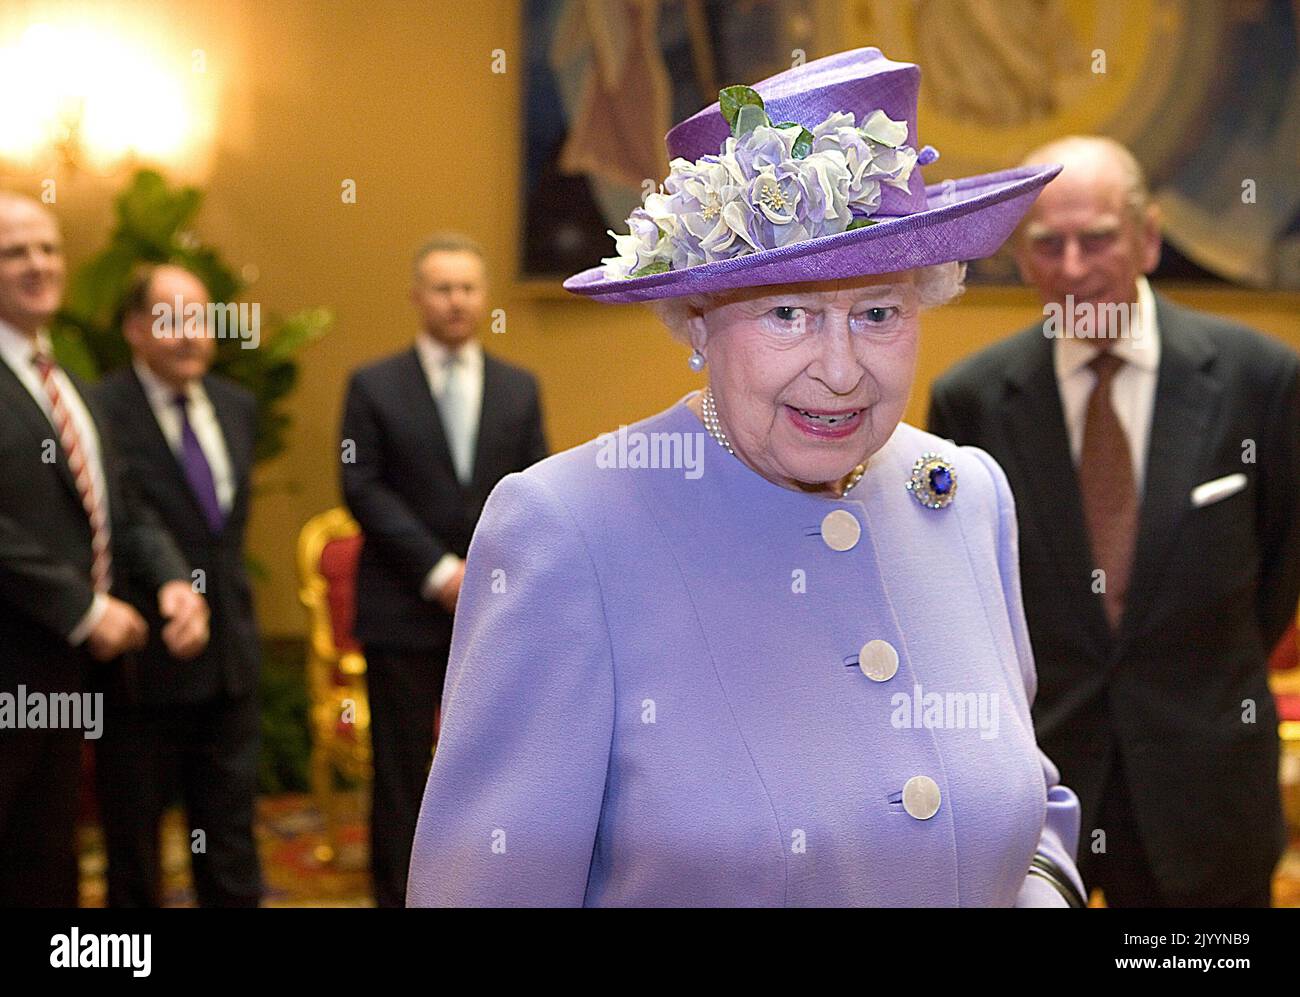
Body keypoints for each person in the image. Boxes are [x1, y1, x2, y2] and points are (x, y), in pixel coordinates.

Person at [407, 48, 1084, 906]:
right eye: (787, 312)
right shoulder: (567, 529)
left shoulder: (967, 494)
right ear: (694, 318)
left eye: (879, 312)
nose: (841, 370)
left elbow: (1030, 800)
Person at [928, 136, 1300, 906]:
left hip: (1208, 789)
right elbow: (964, 600)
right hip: (1038, 787)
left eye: (1095, 238)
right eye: (1046, 244)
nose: (1071, 267)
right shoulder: (970, 400)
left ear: (1148, 237)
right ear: (1020, 255)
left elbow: (1279, 569)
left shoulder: (1260, 380)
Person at [0, 193, 208, 907]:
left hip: (69, 680)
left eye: (49, 248)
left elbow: (122, 509)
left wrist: (174, 583)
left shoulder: (69, 385)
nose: (38, 264)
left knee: (49, 863)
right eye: (15, 251)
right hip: (14, 666)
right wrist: (84, 608)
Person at [340, 232, 548, 907]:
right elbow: (361, 486)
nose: (456, 301)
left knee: (492, 766)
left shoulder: (520, 388)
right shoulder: (372, 385)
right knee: (402, 774)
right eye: (442, 287)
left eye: (467, 288)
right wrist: (437, 571)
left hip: (494, 611)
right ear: (417, 297)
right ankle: (399, 895)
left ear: (484, 298)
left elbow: (535, 491)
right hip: (403, 608)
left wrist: (483, 574)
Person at [90, 264, 264, 907]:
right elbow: (122, 517)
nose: (191, 334)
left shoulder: (236, 406)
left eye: (201, 318)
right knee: (133, 850)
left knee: (231, 843)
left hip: (229, 663)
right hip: (142, 666)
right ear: (136, 330)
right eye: (171, 319)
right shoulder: (98, 409)